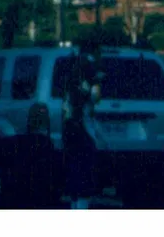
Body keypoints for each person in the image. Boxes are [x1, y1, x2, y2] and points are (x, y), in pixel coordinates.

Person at [61, 40, 103, 209]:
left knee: (74, 168)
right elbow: (94, 95)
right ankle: (81, 206)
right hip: (80, 126)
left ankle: (75, 204)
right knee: (85, 169)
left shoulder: (73, 66)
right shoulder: (88, 66)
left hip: (70, 126)